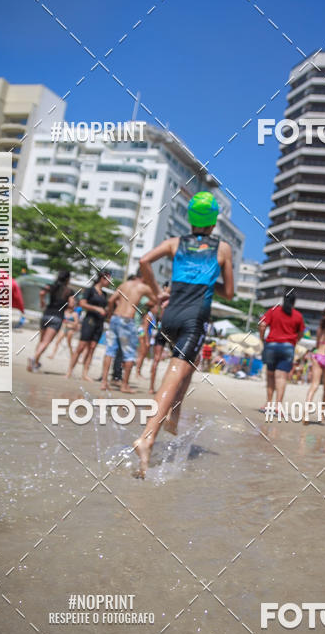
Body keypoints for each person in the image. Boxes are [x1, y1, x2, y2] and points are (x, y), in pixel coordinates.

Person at [133, 192, 234, 476]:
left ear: (190, 218)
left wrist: (157, 294)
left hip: (170, 316)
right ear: (213, 222)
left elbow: (143, 261)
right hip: (194, 318)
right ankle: (147, 437)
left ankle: (173, 420)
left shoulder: (174, 243)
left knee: (188, 368)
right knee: (175, 374)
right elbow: (230, 292)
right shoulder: (222, 249)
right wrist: (212, 282)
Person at [100, 273, 156, 393]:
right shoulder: (143, 288)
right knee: (129, 354)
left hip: (115, 318)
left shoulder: (124, 284)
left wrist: (110, 316)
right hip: (127, 320)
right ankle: (124, 385)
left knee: (109, 351)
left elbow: (111, 300)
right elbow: (156, 300)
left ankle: (104, 382)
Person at [258, 292, 305, 416]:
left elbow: (262, 325)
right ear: (294, 302)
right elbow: (301, 333)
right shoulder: (298, 315)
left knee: (270, 375)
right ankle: (278, 406)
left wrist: (262, 338)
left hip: (272, 345)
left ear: (283, 300)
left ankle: (268, 403)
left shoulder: (273, 311)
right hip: (288, 347)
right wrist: (294, 341)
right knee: (281, 377)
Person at [67, 269, 111, 380]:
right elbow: (82, 303)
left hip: (99, 323)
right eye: (108, 279)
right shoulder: (90, 290)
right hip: (89, 320)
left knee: (92, 348)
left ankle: (85, 374)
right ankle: (69, 371)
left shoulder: (104, 294)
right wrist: (96, 308)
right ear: (102, 278)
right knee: (81, 347)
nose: (110, 282)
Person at [28, 270, 74, 372]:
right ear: (68, 279)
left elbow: (42, 293)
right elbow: (71, 305)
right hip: (57, 317)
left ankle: (35, 364)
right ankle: (34, 358)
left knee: (41, 341)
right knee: (46, 342)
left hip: (46, 314)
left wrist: (42, 302)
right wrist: (67, 308)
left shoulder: (52, 286)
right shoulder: (69, 291)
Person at [149, 282, 170, 393]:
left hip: (163, 329)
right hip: (169, 330)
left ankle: (152, 388)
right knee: (173, 361)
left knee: (156, 360)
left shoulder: (161, 299)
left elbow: (158, 314)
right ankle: (158, 388)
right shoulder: (172, 298)